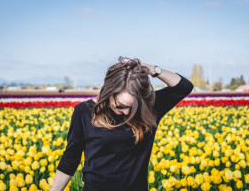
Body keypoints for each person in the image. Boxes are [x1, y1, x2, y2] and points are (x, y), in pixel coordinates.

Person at [50, 57, 194, 191]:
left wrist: (152, 69)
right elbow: (70, 159)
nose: (126, 113)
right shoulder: (84, 112)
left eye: (133, 107)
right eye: (121, 105)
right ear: (109, 91)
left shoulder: (149, 108)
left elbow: (184, 87)